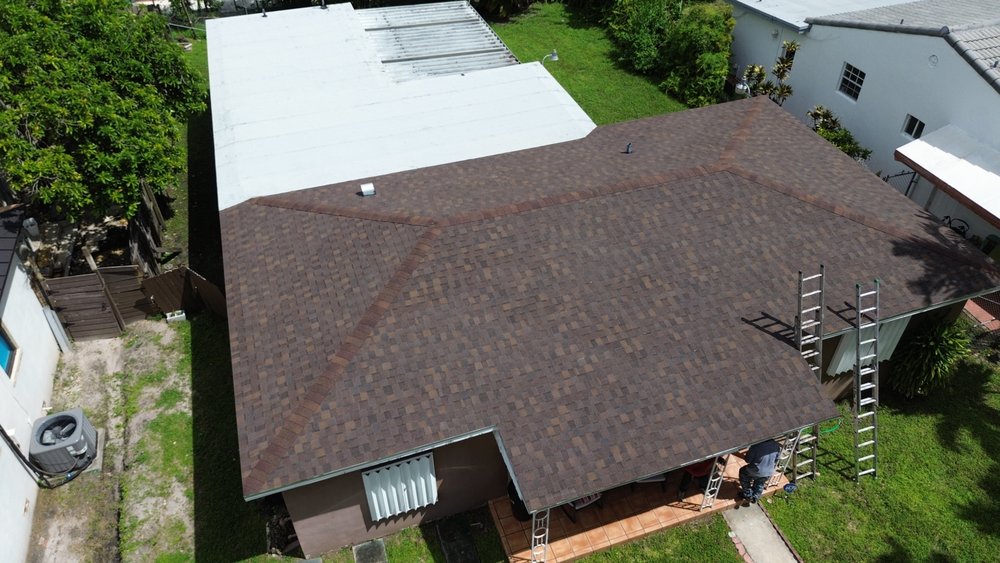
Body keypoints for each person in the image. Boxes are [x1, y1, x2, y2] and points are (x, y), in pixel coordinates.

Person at [739, 439, 781, 503]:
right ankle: (755, 497)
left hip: (755, 470)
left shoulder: (756, 446)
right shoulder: (776, 445)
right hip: (769, 471)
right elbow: (777, 459)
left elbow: (748, 460)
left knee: (743, 472)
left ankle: (748, 494)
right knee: (760, 482)